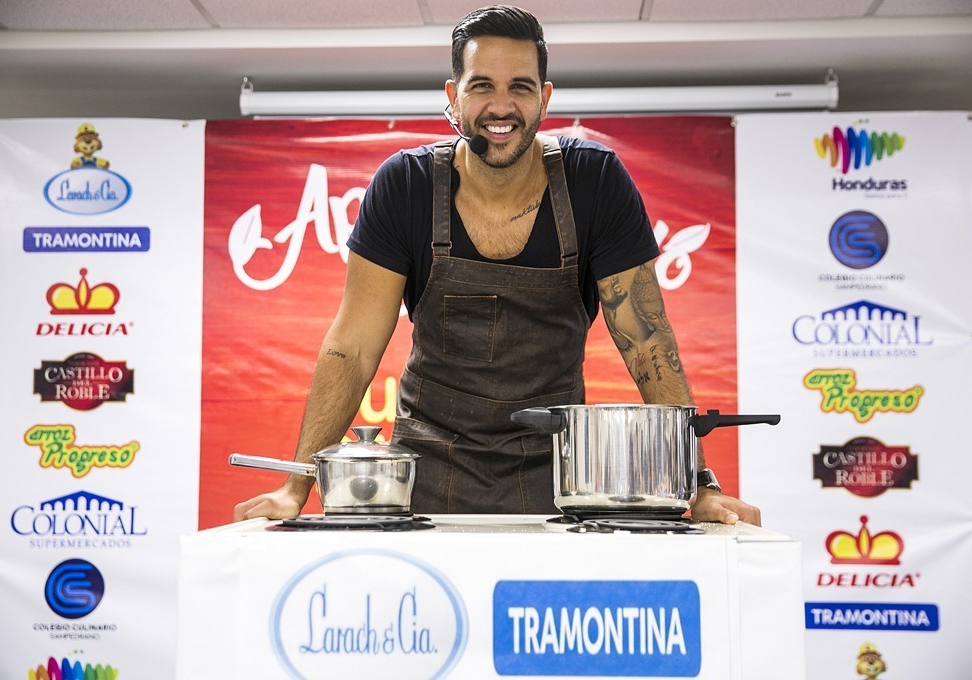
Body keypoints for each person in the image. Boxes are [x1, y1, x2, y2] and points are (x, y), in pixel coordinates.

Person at [233, 5, 760, 525]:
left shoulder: (595, 182)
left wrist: (701, 486)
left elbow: (648, 344)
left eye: (520, 87)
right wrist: (295, 485)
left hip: (560, 483)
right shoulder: (406, 185)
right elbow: (352, 348)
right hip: (427, 480)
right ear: (453, 96)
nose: (501, 106)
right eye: (482, 85)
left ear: (544, 99)